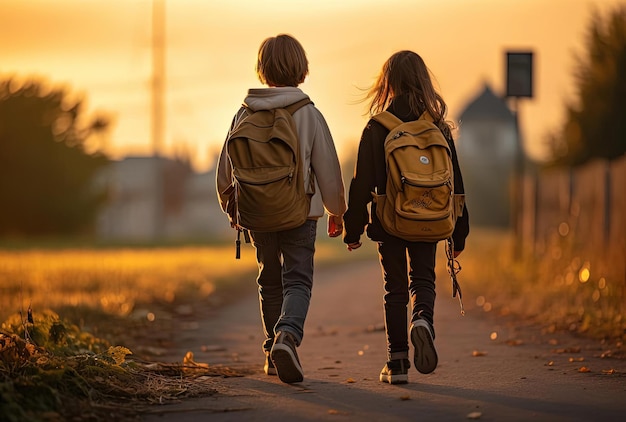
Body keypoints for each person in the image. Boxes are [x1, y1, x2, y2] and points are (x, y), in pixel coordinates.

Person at [216, 34, 347, 384]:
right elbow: (329, 170)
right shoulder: (308, 113)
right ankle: (287, 336)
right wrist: (337, 211)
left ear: (263, 69)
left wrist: (233, 209)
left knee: (268, 279)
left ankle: (272, 352)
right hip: (299, 212)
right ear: (301, 69)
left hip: (257, 212)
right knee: (297, 280)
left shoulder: (243, 112)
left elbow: (225, 170)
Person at [342, 50, 470, 384]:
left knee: (394, 288)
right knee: (423, 278)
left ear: (388, 83)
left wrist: (352, 228)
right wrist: (460, 232)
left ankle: (397, 363)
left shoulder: (377, 126)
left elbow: (361, 183)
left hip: (389, 220)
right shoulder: (437, 126)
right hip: (431, 218)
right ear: (423, 80)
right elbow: (454, 180)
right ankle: (423, 320)